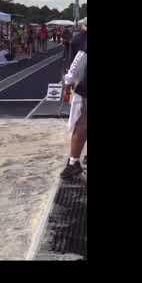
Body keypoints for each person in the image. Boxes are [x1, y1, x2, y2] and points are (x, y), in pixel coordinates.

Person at [60, 23, 87, 179]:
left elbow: (79, 60)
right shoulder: (81, 38)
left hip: (85, 86)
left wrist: (68, 81)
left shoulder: (82, 38)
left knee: (81, 124)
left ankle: (73, 163)